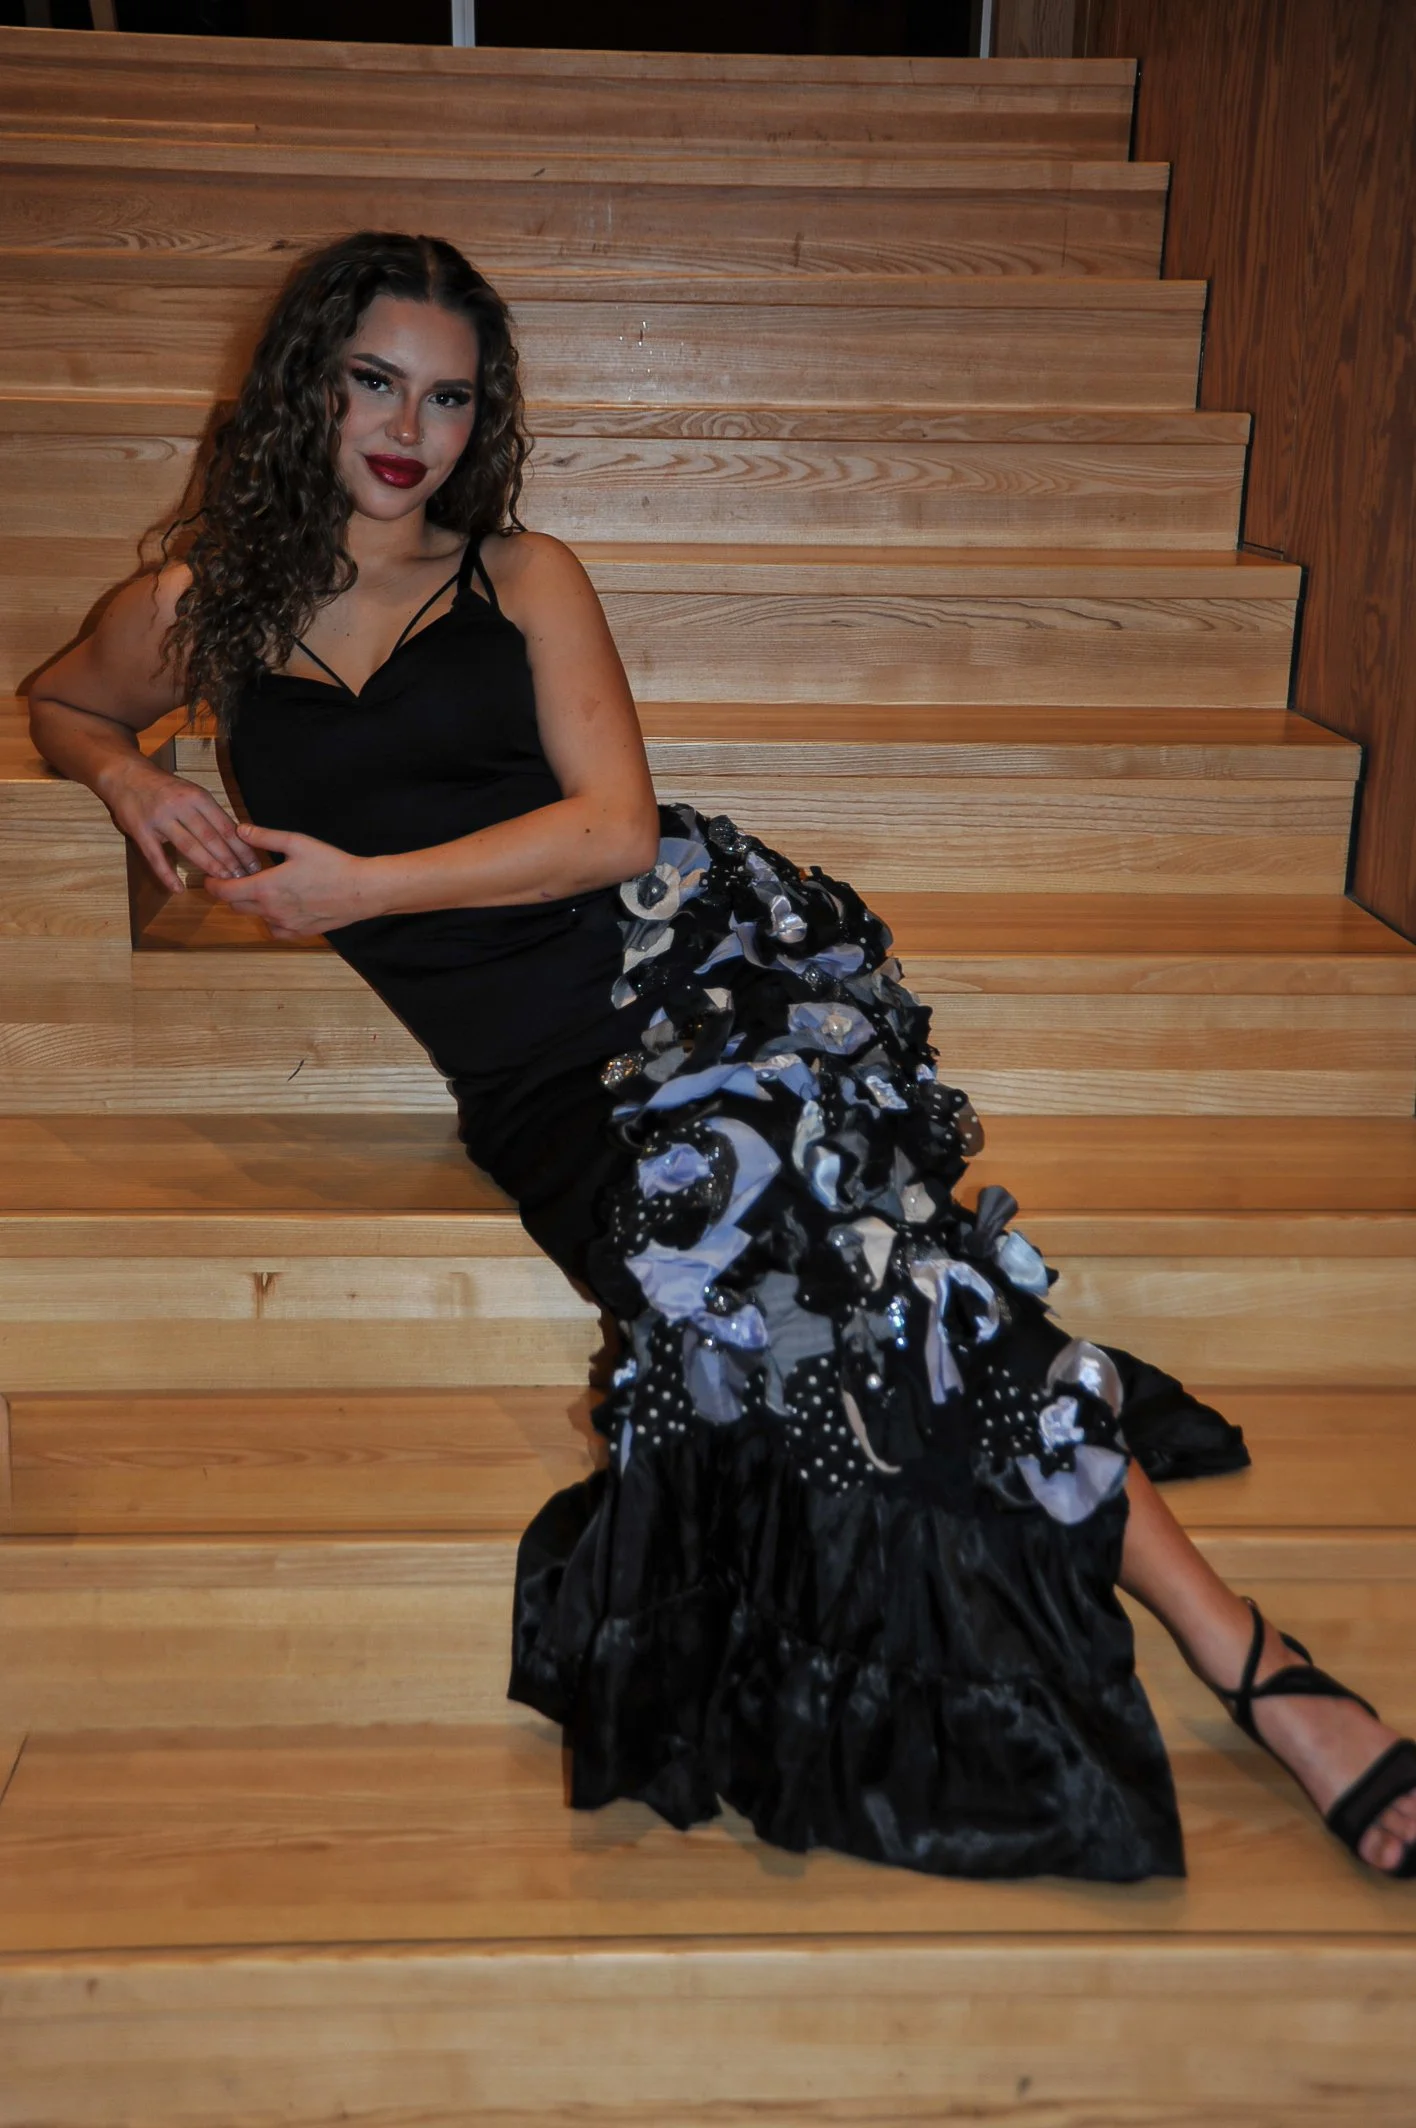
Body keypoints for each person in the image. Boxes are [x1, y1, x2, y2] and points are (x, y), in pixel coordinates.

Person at [27, 231, 1415, 1883]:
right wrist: (134, 786)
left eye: (452, 397)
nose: (412, 430)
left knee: (845, 1257)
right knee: (838, 1272)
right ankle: (1251, 1657)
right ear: (306, 383)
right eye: (375, 381)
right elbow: (58, 702)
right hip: (547, 1091)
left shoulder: (521, 575)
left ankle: (1239, 1654)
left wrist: (362, 889)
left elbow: (616, 830)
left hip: (689, 977)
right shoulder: (202, 606)